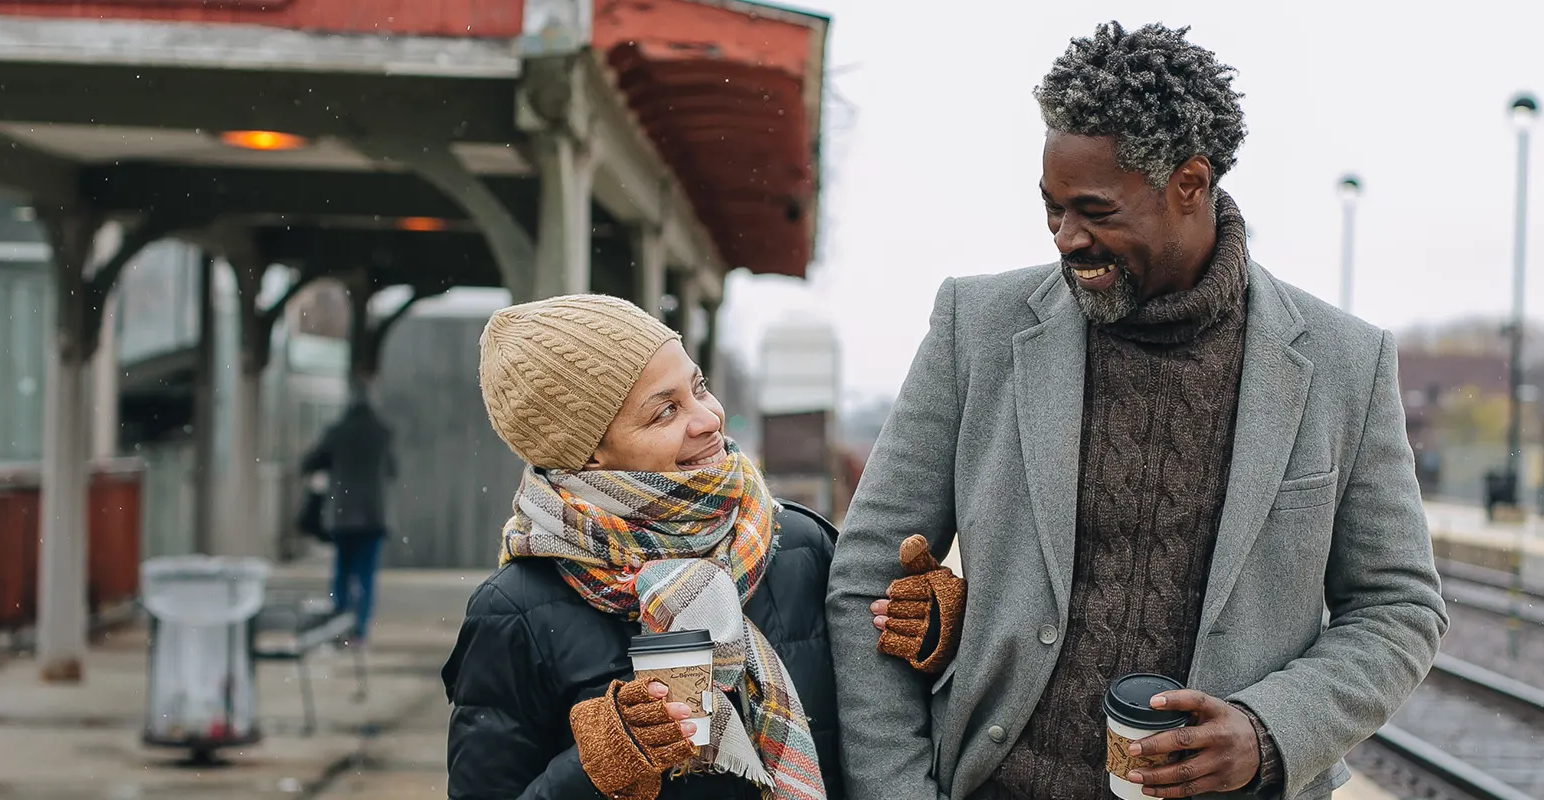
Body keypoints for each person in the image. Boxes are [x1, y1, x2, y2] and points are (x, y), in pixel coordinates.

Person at [828, 21, 1446, 800]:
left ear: (1190, 183)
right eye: (1051, 208)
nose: (1065, 237)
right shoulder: (975, 326)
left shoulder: (1345, 365)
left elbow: (1400, 607)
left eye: (1095, 210)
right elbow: (865, 579)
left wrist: (1268, 733)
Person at [444, 294, 843, 800]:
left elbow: (894, 732)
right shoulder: (516, 611)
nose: (708, 419)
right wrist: (597, 770)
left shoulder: (801, 546)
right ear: (588, 458)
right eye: (665, 412)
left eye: (699, 388)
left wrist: (937, 639)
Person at [299, 397, 396, 645]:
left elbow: (310, 463)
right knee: (365, 574)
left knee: (342, 571)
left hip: (343, 515)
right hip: (373, 515)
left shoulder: (337, 432)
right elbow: (392, 469)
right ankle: (359, 630)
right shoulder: (382, 433)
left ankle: (337, 625)